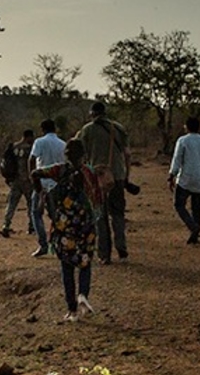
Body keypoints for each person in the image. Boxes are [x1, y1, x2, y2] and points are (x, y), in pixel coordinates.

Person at [32, 139, 100, 322]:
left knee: (66, 266)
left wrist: (40, 192)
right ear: (83, 155)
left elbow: (35, 173)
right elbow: (96, 196)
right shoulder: (89, 172)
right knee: (85, 262)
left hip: (64, 225)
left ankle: (71, 310)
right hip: (85, 224)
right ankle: (83, 295)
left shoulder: (59, 170)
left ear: (66, 155)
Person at [76, 102, 131, 265]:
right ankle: (122, 249)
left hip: (95, 179)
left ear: (92, 114)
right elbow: (127, 154)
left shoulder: (86, 130)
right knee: (118, 214)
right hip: (117, 176)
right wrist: (126, 175)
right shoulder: (118, 128)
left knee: (100, 217)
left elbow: (78, 154)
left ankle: (104, 254)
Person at [28, 119, 65, 257]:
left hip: (42, 183)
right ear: (55, 128)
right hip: (57, 184)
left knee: (36, 213)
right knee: (57, 215)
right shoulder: (63, 144)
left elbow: (32, 160)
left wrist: (33, 178)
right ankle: (60, 242)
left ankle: (43, 244)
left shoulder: (39, 142)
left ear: (42, 129)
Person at [168, 116, 200, 244]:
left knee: (179, 205)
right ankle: (195, 232)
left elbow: (177, 158)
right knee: (196, 207)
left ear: (187, 127)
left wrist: (172, 174)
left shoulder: (183, 140)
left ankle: (192, 227)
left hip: (185, 178)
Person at [0, 129, 35, 238]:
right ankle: (31, 226)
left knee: (11, 204)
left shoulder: (13, 147)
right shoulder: (30, 148)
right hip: (27, 181)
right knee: (31, 204)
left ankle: (6, 225)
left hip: (15, 180)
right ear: (29, 137)